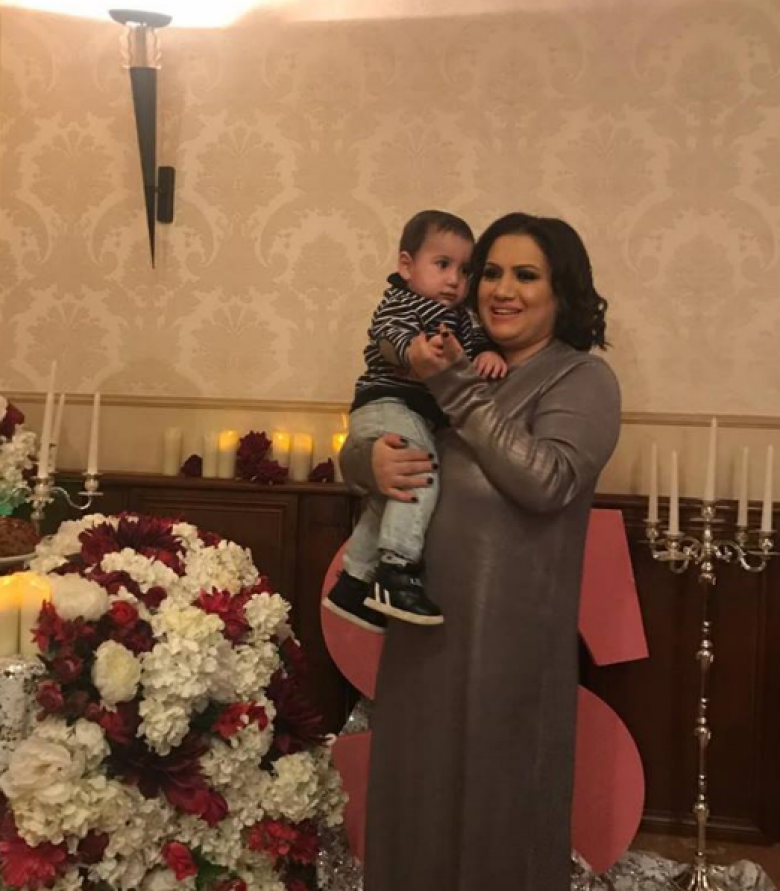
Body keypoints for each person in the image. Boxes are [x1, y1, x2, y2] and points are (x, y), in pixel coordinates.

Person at [339, 211, 621, 891]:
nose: (501, 289)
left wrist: (456, 388)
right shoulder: (449, 361)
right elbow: (384, 445)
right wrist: (364, 462)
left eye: (526, 275)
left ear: (562, 291)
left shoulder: (580, 379)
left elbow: (548, 480)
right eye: (490, 272)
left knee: (500, 821)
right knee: (414, 809)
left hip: (510, 653)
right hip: (420, 635)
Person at [324, 210, 505, 634]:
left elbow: (477, 341)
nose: (454, 280)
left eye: (465, 270)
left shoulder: (462, 316)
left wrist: (487, 353)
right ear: (407, 266)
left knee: (393, 491)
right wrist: (412, 353)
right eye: (442, 265)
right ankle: (397, 570)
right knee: (420, 472)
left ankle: (353, 582)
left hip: (414, 413)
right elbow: (389, 335)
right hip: (388, 403)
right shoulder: (404, 301)